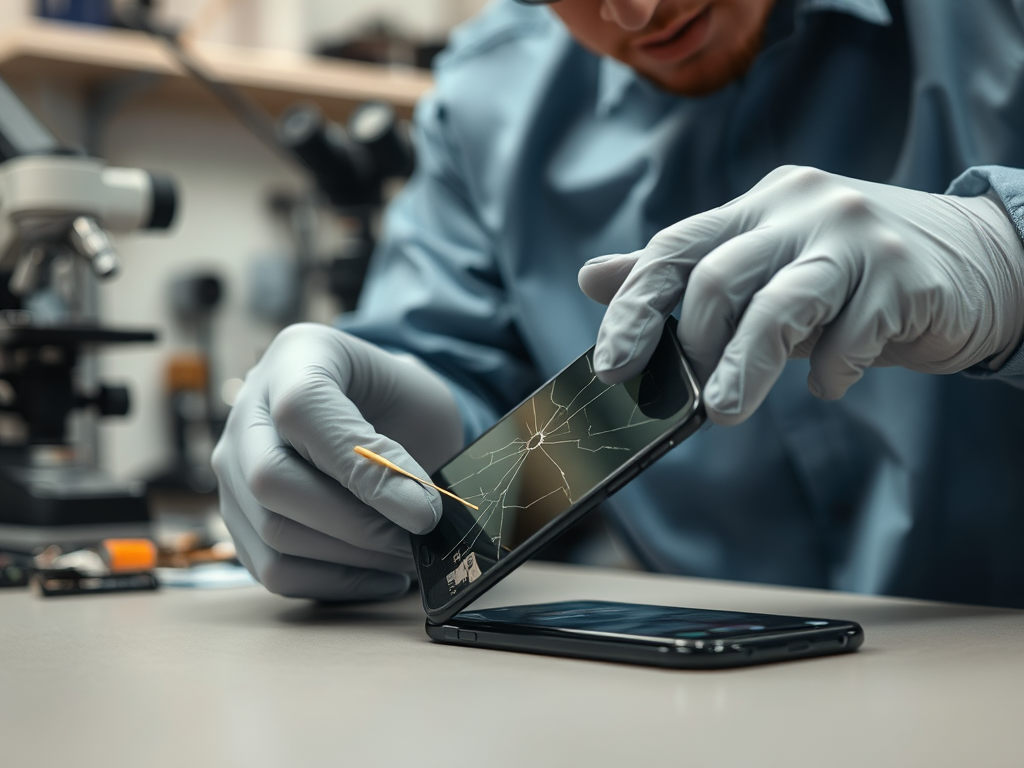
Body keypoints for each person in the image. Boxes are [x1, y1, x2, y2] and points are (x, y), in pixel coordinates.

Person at [213, 0, 1024, 608]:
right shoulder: (485, 98)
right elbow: (457, 373)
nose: (636, 12)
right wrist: (388, 437)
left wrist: (1007, 255)